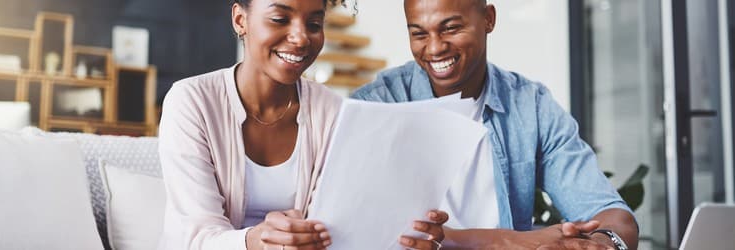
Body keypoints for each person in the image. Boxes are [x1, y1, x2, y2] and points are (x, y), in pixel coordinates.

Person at [158, 0, 448, 249]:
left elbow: (341, 229)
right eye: (280, 19)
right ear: (240, 19)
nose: (301, 38)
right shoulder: (191, 102)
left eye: (313, 24)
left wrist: (406, 236)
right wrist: (256, 241)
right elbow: (196, 236)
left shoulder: (333, 113)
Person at [351, 0, 639, 249]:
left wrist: (603, 244)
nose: (435, 48)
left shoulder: (530, 105)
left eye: (451, 28)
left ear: (488, 19)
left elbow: (611, 214)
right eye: (419, 34)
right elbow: (358, 230)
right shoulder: (377, 106)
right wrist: (504, 241)